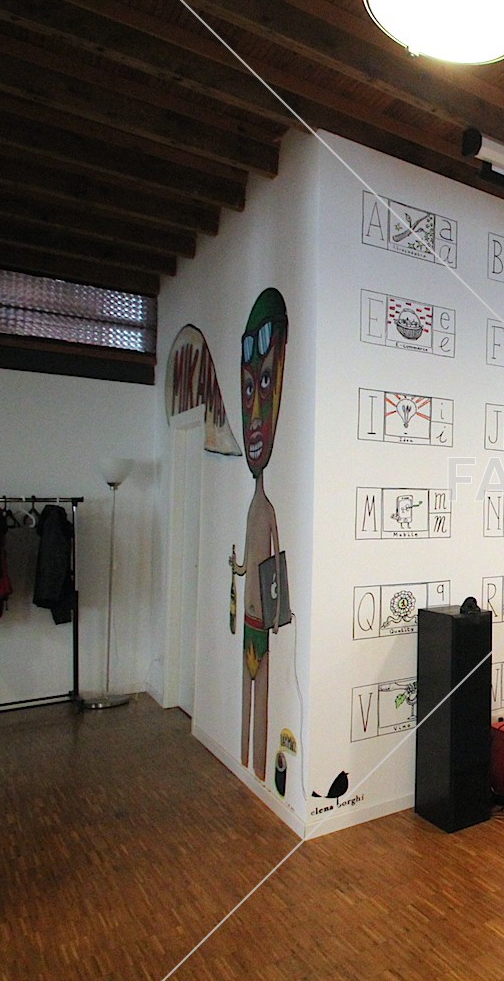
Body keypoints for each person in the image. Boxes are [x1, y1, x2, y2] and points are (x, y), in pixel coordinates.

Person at [229, 289, 289, 782]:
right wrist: (239, 571)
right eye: (248, 387)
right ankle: (246, 759)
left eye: (265, 381)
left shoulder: (265, 510)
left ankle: (262, 769)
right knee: (246, 692)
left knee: (262, 690)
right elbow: (257, 562)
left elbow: (276, 562)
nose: (253, 416)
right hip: (250, 619)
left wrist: (278, 611)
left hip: (261, 622)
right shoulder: (256, 507)